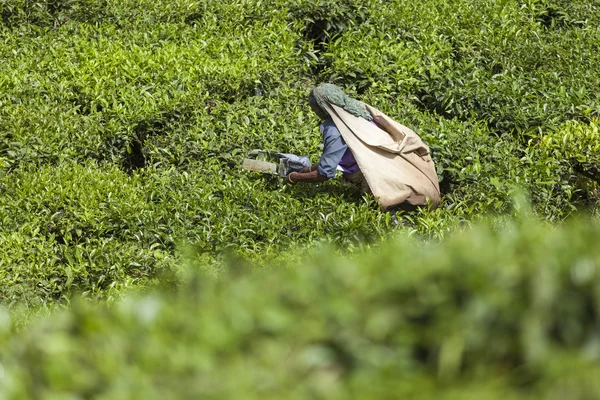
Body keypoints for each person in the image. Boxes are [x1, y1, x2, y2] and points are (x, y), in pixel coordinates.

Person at [286, 84, 441, 212]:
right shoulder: (360, 111)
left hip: (381, 183)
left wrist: (295, 178)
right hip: (406, 174)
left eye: (314, 109)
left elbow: (325, 173)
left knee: (384, 220)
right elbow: (330, 160)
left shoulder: (334, 129)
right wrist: (305, 170)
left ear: (322, 108)